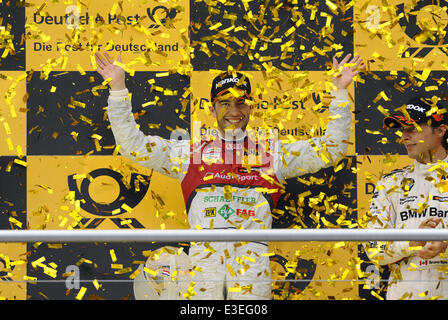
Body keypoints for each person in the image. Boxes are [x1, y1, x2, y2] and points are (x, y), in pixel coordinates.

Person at [95, 51, 364, 300]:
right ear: (211, 109)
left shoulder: (272, 153)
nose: (234, 112)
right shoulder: (190, 153)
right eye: (224, 103)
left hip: (252, 265)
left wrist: (340, 93)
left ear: (251, 108)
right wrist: (118, 89)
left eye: (241, 103)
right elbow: (134, 146)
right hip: (204, 263)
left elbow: (331, 149)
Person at [365, 96, 448, 300]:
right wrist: (411, 242)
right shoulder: (389, 183)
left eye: (412, 128)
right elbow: (372, 249)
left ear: (440, 130)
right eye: (402, 129)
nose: (404, 136)